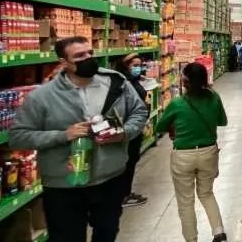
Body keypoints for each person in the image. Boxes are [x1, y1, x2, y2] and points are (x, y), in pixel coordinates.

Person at [9, 36, 149, 242]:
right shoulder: (42, 97)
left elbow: (139, 111)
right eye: (79, 56)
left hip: (110, 178)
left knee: (107, 233)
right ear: (63, 62)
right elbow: (18, 137)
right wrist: (64, 135)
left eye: (90, 53)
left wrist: (124, 132)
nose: (88, 58)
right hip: (64, 185)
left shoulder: (116, 82)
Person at [156, 62, 228, 242]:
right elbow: (223, 121)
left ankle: (191, 239)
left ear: (186, 81)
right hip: (208, 152)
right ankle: (219, 231)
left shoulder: (177, 103)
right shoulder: (214, 97)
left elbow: (159, 127)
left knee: (185, 201)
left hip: (183, 155)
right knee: (206, 193)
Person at [115, 53, 149, 208]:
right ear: (125, 66)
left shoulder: (133, 81)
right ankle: (122, 195)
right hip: (128, 129)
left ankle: (125, 192)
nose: (138, 68)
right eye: (134, 65)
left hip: (135, 127)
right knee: (127, 162)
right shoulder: (123, 83)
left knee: (132, 160)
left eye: (139, 65)